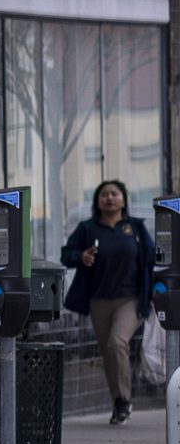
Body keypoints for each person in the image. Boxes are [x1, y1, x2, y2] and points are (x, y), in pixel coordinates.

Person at [61, 179, 154, 423]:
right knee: (108, 351)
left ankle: (124, 399)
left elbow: (152, 259)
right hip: (99, 300)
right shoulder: (87, 228)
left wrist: (156, 292)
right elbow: (66, 255)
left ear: (123, 199)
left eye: (114, 194)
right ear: (98, 201)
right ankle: (118, 403)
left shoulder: (135, 228)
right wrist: (81, 256)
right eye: (104, 195)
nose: (109, 198)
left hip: (131, 299)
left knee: (117, 341)